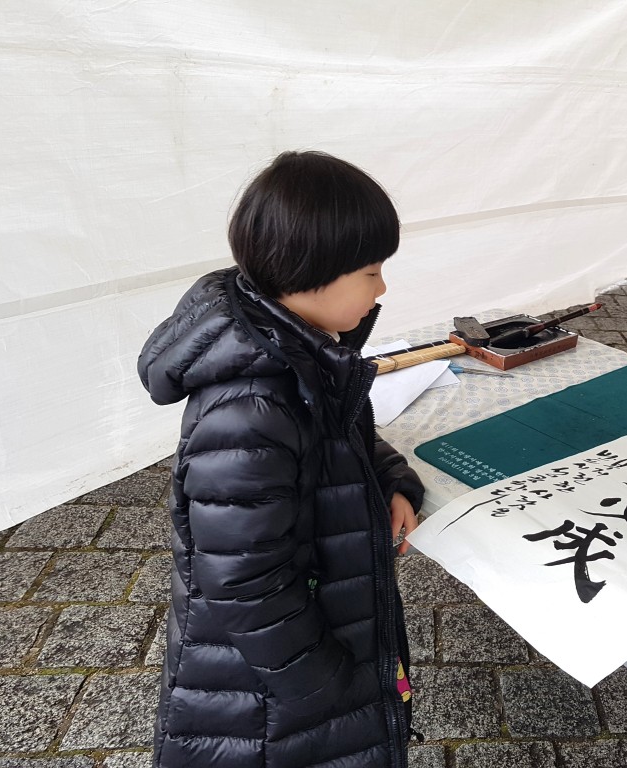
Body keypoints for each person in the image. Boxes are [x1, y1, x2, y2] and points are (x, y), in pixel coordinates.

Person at [138, 150, 425, 767]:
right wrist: (324, 684)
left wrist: (391, 479)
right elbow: (242, 583)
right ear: (310, 272)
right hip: (270, 698)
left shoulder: (302, 354)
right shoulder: (252, 411)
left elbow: (342, 437)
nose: (382, 289)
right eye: (372, 272)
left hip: (307, 656)